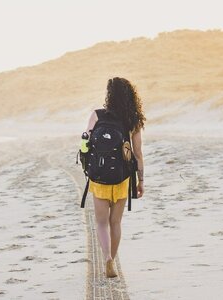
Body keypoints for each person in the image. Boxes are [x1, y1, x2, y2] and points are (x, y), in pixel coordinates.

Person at [84, 77, 146, 278]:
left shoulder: (97, 115)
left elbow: (85, 145)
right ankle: (113, 258)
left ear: (109, 95)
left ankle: (107, 259)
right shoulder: (132, 120)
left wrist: (89, 169)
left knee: (101, 223)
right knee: (115, 222)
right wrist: (141, 181)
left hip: (99, 177)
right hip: (121, 178)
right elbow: (138, 154)